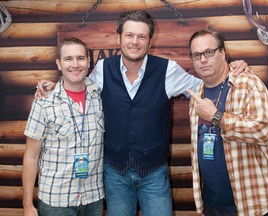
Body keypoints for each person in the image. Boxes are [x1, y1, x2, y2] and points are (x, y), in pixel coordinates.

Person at [35, 11, 249, 216]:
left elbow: (207, 84)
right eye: (129, 35)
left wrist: (232, 68)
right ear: (119, 38)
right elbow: (80, 86)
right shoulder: (103, 68)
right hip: (115, 172)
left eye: (141, 36)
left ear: (149, 41)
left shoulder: (168, 70)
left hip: (154, 173)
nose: (134, 41)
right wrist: (55, 87)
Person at [186, 29, 268, 216]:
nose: (203, 60)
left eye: (209, 52)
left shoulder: (248, 84)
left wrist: (217, 117)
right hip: (212, 205)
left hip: (253, 205)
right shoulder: (197, 93)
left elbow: (265, 132)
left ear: (222, 53)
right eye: (197, 55)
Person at [22, 37, 105, 216]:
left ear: (88, 61)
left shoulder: (99, 96)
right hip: (56, 201)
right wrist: (27, 205)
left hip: (93, 198)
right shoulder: (44, 102)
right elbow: (31, 155)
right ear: (59, 64)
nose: (75, 64)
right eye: (68, 59)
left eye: (80, 58)